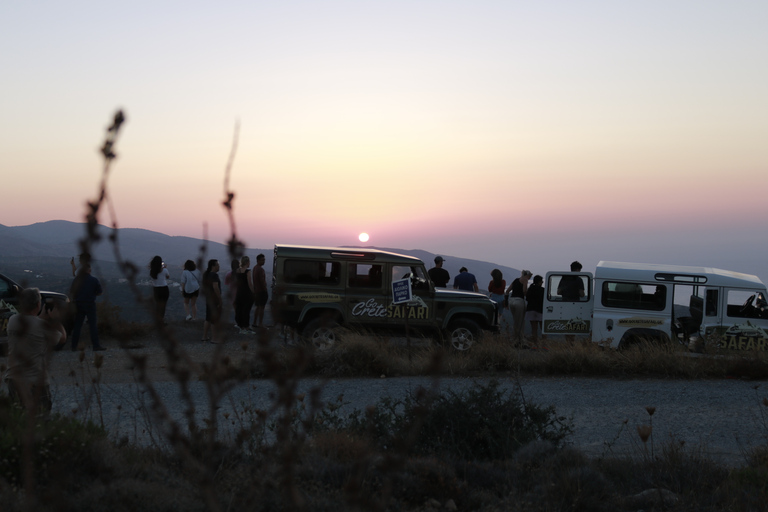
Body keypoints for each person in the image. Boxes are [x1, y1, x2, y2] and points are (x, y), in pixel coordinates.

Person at [5, 287, 67, 414]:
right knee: (40, 421)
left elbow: (31, 323)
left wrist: (40, 317)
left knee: (18, 419)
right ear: (39, 304)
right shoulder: (42, 326)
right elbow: (62, 338)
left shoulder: (12, 320)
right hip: (35, 382)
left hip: (14, 380)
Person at [69, 262, 106, 351]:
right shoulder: (94, 280)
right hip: (90, 304)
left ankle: (74, 346)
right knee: (92, 325)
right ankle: (96, 345)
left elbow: (71, 291)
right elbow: (100, 292)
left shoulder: (77, 279)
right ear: (89, 270)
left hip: (79, 304)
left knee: (77, 325)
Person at [506, 269, 532, 344]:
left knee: (515, 321)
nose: (529, 278)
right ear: (527, 275)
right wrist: (528, 295)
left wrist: (506, 301)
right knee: (520, 322)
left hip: (511, 301)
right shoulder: (525, 280)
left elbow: (507, 291)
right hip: (519, 301)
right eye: (530, 276)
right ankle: (520, 339)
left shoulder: (516, 280)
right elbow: (524, 291)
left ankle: (515, 337)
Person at [202, 259, 222, 343]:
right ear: (213, 266)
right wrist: (220, 299)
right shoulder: (214, 275)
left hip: (208, 299)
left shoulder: (207, 275)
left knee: (208, 318)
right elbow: (215, 287)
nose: (219, 266)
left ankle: (204, 336)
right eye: (217, 265)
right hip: (214, 300)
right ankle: (214, 338)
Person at [234, 255, 254, 334]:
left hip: (239, 292)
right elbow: (250, 283)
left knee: (239, 309)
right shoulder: (248, 271)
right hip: (247, 293)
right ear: (247, 262)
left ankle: (241, 326)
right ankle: (246, 327)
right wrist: (253, 292)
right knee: (246, 310)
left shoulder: (237, 271)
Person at [149, 255, 171, 323]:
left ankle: (157, 320)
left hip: (156, 290)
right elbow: (168, 277)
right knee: (163, 305)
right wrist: (164, 268)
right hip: (164, 289)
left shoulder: (152, 271)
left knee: (157, 305)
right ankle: (161, 320)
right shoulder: (164, 270)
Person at [251, 253, 269, 329]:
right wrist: (265, 289)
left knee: (258, 307)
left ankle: (255, 322)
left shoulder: (255, 268)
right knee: (262, 307)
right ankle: (260, 323)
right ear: (258, 260)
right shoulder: (260, 270)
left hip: (256, 291)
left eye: (264, 260)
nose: (264, 261)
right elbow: (262, 281)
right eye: (262, 260)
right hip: (261, 291)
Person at [526, 275, 545, 344]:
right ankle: (544, 344)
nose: (542, 282)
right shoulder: (542, 290)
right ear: (539, 282)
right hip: (540, 310)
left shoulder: (530, 289)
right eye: (542, 281)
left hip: (530, 310)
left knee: (534, 329)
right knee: (543, 328)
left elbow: (527, 298)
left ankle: (535, 344)